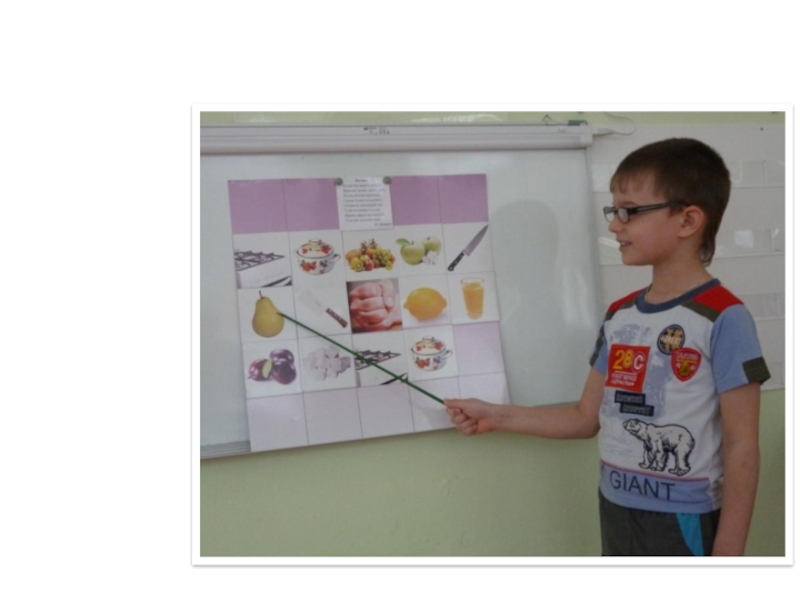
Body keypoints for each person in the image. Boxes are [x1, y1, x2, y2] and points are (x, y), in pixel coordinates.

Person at [445, 138, 770, 556]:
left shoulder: (724, 316)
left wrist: (729, 553)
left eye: (629, 211)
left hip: (683, 519)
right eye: (614, 211)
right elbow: (585, 417)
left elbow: (742, 446)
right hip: (615, 507)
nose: (615, 225)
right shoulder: (620, 316)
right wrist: (495, 415)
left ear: (688, 220)